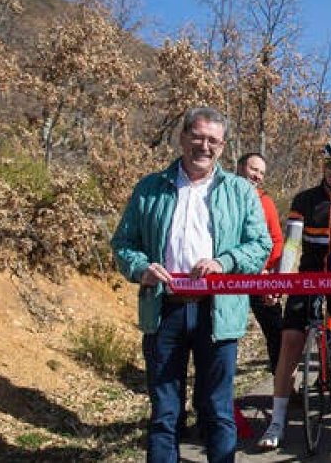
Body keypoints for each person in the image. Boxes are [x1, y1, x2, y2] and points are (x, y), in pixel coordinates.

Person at [111, 106, 271, 463]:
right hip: (164, 309)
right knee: (165, 412)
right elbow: (123, 242)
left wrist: (224, 262)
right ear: (182, 137)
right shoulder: (151, 187)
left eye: (213, 140)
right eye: (197, 136)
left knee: (216, 409)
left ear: (223, 146)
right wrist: (141, 268)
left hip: (218, 312)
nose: (204, 146)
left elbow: (261, 245)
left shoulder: (240, 191)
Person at [257, 141, 331, 450]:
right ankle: (277, 421)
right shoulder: (305, 199)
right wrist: (280, 283)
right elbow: (293, 246)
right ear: (322, 166)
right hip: (308, 277)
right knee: (290, 343)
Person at [237, 152, 286, 374]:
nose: (257, 176)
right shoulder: (221, 194)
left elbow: (276, 240)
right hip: (228, 277)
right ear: (239, 167)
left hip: (260, 276)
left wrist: (269, 272)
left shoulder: (265, 201)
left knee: (277, 331)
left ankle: (284, 385)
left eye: (261, 173)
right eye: (253, 169)